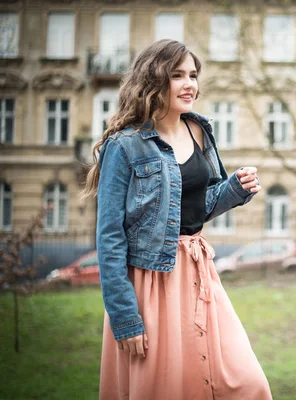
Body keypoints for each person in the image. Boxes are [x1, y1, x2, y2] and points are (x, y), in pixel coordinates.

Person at [82, 39, 272, 400]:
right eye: (178, 75)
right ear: (154, 80)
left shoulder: (198, 130)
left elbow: (199, 206)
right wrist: (125, 317)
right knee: (166, 388)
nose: (190, 84)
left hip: (199, 273)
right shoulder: (124, 145)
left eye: (194, 75)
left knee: (247, 383)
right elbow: (109, 237)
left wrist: (236, 187)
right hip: (150, 284)